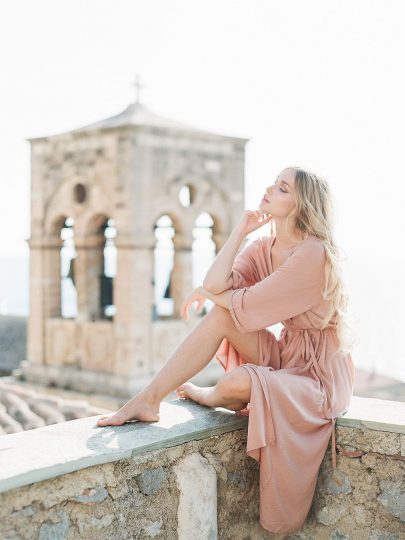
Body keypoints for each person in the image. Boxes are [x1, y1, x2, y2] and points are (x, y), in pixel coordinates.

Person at [96, 166, 357, 535]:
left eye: (282, 188)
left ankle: (206, 395)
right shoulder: (262, 247)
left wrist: (207, 294)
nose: (270, 188)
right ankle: (148, 399)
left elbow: (249, 304)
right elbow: (217, 284)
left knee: (239, 381)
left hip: (319, 376)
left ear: (302, 204)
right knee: (221, 315)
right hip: (288, 355)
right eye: (274, 182)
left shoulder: (313, 252)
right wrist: (240, 231)